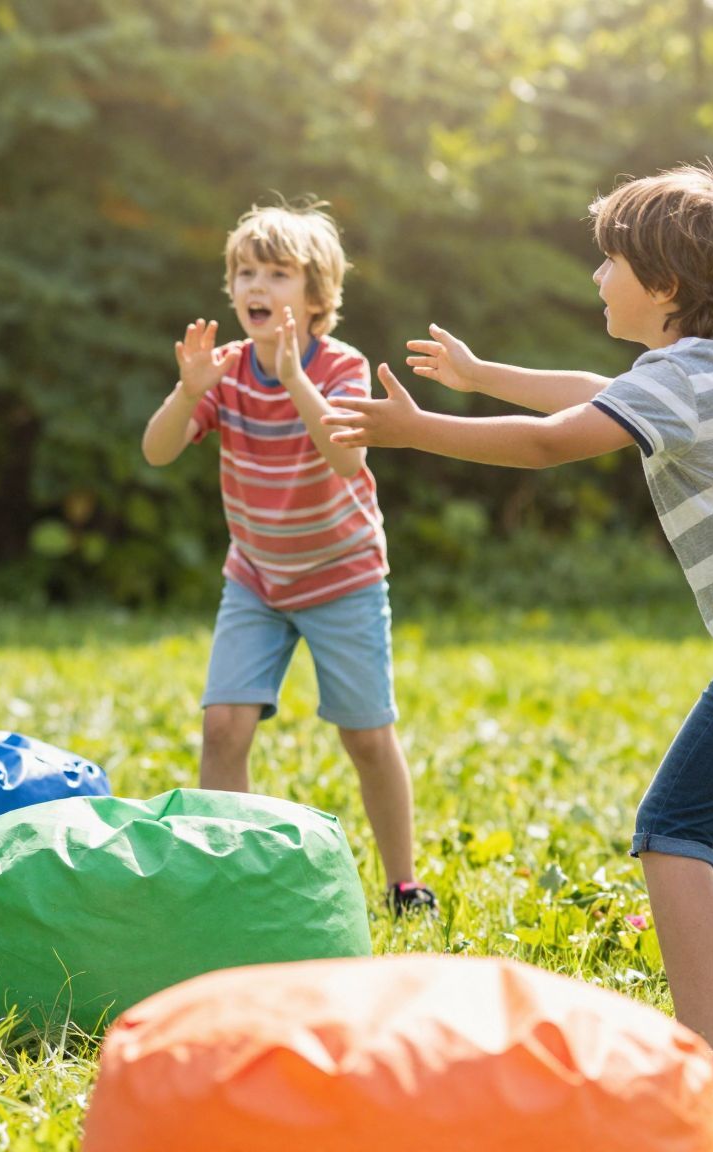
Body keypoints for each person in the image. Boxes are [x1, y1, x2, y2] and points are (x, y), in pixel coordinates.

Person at [323, 165, 713, 1089]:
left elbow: (554, 439)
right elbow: (596, 392)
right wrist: (481, 376)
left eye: (610, 262)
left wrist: (419, 429)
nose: (596, 276)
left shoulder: (682, 380)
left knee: (673, 830)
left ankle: (708, 1064)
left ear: (664, 284)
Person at [140, 202, 435, 915]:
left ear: (315, 294)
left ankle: (403, 882)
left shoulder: (340, 365)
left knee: (367, 737)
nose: (257, 285)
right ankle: (222, 875)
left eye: (277, 274)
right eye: (246, 272)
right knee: (223, 726)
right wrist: (188, 391)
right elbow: (156, 451)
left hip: (342, 577)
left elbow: (347, 457)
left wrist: (293, 378)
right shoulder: (226, 371)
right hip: (256, 579)